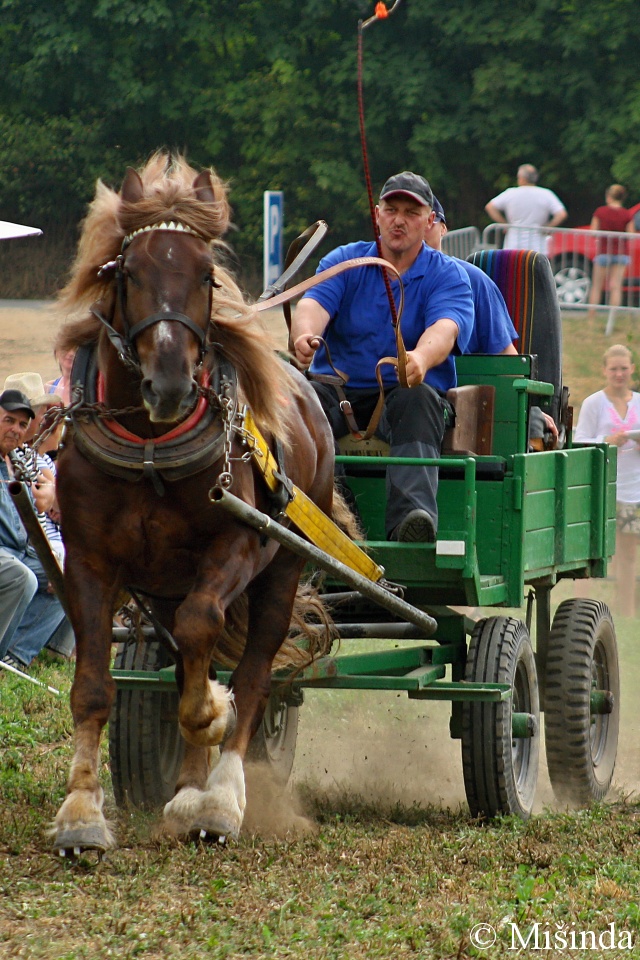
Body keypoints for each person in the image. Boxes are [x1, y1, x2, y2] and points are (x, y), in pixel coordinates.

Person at [291, 171, 474, 542]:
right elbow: (312, 303)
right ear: (377, 215)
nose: (399, 219)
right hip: (337, 393)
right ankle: (329, 520)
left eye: (411, 211)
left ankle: (411, 523)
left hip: (405, 396)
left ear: (428, 221)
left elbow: (446, 327)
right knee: (298, 400)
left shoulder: (448, 275)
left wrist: (420, 359)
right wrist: (305, 335)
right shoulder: (345, 261)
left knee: (419, 399)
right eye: (391, 209)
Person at [0, 388, 74, 669]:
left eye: (21, 424)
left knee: (68, 577)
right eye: (8, 421)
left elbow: (44, 506)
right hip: (5, 553)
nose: (16, 430)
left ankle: (17, 656)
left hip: (20, 550)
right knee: (24, 578)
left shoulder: (18, 461)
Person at [574, 344, 640, 618]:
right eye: (613, 369)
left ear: (632, 369)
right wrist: (607, 441)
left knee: (628, 555)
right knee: (600, 555)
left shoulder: (638, 401)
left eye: (624, 368)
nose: (619, 374)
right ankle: (584, 611)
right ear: (604, 371)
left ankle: (626, 611)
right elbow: (579, 441)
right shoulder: (594, 403)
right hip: (606, 489)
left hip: (634, 489)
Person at [425, 196, 518, 355]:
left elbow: (507, 358)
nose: (419, 228)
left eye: (429, 221)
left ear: (443, 228)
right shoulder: (380, 276)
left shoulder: (474, 279)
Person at [485, 164, 568, 253]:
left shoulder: (511, 193)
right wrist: (548, 227)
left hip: (514, 243)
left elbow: (490, 207)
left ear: (522, 178)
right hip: (538, 245)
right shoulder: (546, 194)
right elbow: (561, 214)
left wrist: (505, 224)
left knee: (513, 266)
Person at [586, 185, 635, 320]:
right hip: (621, 253)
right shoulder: (626, 214)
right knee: (616, 286)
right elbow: (631, 234)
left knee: (597, 285)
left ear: (608, 196)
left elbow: (593, 231)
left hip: (603, 252)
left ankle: (591, 316)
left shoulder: (600, 212)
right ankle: (612, 317)